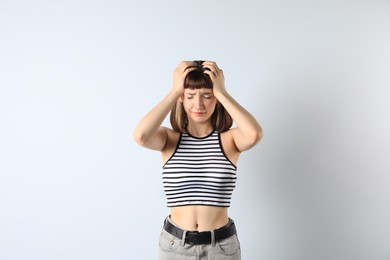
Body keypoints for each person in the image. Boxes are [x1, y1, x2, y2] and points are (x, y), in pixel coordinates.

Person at [133, 60, 263, 260]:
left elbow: (254, 134)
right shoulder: (170, 140)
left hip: (221, 247)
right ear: (181, 99)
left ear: (216, 99)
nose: (198, 104)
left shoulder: (229, 140)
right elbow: (140, 135)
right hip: (175, 246)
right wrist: (175, 91)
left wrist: (222, 92)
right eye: (190, 96)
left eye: (207, 96)